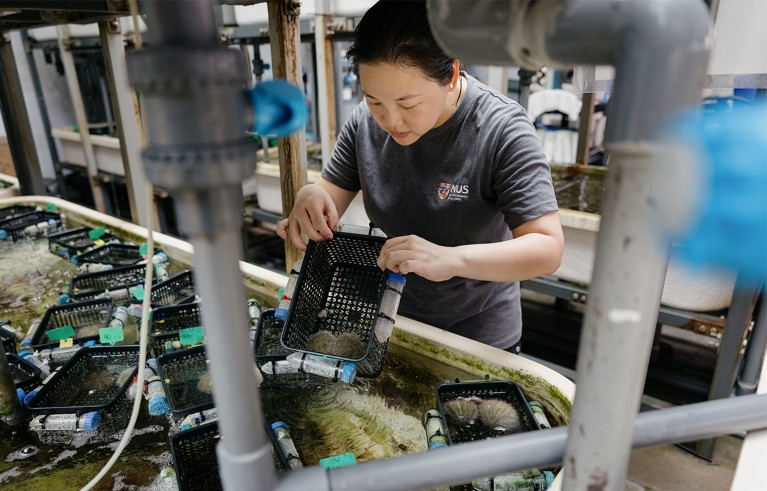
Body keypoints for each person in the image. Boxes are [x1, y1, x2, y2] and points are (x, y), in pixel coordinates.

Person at [277, 0, 563, 353]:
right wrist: (310, 196)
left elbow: (547, 248)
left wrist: (451, 260)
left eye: (408, 104)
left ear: (452, 75)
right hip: (390, 322)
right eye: (374, 100)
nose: (391, 121)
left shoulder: (501, 130)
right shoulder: (364, 122)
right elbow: (326, 199)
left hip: (478, 337)